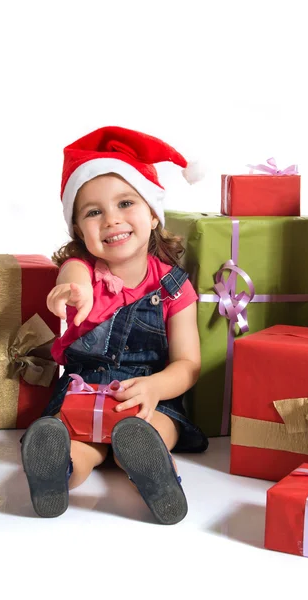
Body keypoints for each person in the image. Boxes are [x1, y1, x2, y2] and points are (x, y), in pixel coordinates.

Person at [21, 126, 208, 525]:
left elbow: (188, 364)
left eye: (125, 202)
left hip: (145, 396)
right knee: (77, 441)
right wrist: (71, 291)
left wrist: (156, 386)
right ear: (78, 231)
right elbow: (72, 274)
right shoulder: (82, 272)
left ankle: (155, 475)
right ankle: (57, 471)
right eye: (93, 212)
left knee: (153, 428)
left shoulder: (174, 287)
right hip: (83, 390)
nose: (111, 220)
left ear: (154, 214)